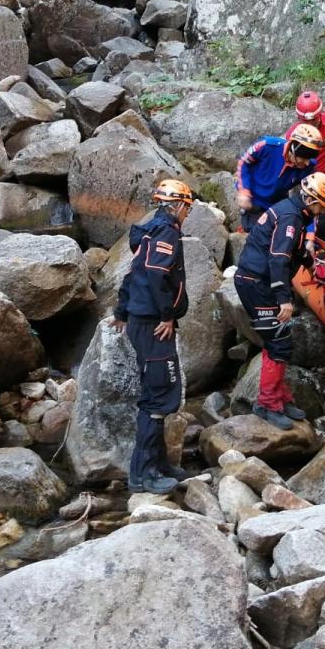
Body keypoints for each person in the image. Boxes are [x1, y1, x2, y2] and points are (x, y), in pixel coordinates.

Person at [234, 172, 325, 429]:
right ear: (312, 200)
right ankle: (267, 404)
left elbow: (292, 251)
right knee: (278, 341)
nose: (323, 211)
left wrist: (309, 261)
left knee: (282, 340)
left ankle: (279, 398)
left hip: (261, 279)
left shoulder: (296, 212)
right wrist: (284, 299)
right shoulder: (291, 217)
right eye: (322, 206)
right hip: (256, 282)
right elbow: (277, 258)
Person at [111, 179, 195, 494]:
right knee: (159, 397)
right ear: (179, 205)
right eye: (187, 206)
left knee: (157, 390)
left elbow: (134, 273)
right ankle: (143, 475)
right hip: (152, 324)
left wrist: (122, 311)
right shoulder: (167, 232)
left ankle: (159, 464)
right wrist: (167, 316)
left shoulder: (149, 230)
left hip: (140, 319)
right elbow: (158, 274)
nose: (187, 212)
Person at [285, 91, 325, 245]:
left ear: (320, 114)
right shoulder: (294, 134)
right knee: (301, 217)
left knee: (324, 223)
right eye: (306, 122)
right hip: (309, 180)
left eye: (314, 120)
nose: (311, 124)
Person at [234, 124, 323, 232]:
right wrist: (244, 191)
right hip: (252, 198)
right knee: (255, 232)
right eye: (304, 158)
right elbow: (244, 163)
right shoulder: (267, 146)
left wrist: (310, 232)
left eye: (310, 158)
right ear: (293, 149)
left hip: (276, 202)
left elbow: (311, 199)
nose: (307, 162)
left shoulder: (308, 167)